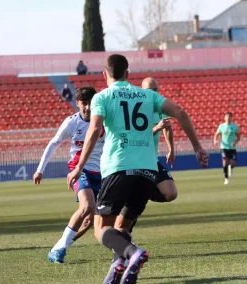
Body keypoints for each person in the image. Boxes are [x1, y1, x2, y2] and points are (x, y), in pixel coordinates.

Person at [66, 54, 208, 284]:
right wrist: (197, 147)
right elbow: (181, 113)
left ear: (104, 75)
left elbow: (94, 130)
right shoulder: (147, 94)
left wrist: (78, 166)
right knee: (123, 225)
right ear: (128, 74)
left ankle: (133, 253)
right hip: (147, 171)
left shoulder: (102, 97)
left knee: (101, 228)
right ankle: (118, 271)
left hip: (118, 167)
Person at [103, 77, 178, 283]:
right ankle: (120, 262)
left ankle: (123, 258)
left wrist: (171, 149)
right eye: (151, 89)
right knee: (117, 226)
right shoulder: (139, 104)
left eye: (157, 88)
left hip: (150, 161)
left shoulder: (159, 106)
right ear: (142, 90)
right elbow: (137, 133)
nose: (154, 92)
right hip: (134, 159)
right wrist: (156, 128)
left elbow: (168, 128)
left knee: (170, 192)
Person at [33, 86, 104, 263]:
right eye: (84, 104)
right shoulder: (72, 122)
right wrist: (40, 169)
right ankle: (60, 250)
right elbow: (54, 143)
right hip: (79, 169)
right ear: (78, 103)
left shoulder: (105, 120)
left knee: (88, 222)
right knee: (87, 206)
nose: (88, 108)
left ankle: (58, 247)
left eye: (91, 104)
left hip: (102, 173)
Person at [213, 112, 240, 185]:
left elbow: (238, 137)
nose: (228, 118)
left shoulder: (234, 126)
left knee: (233, 163)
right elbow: (216, 134)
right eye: (227, 117)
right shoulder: (221, 126)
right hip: (224, 147)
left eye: (229, 117)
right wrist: (215, 140)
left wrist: (235, 142)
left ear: (231, 118)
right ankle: (226, 178)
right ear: (224, 118)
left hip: (232, 147)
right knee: (224, 161)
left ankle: (231, 168)